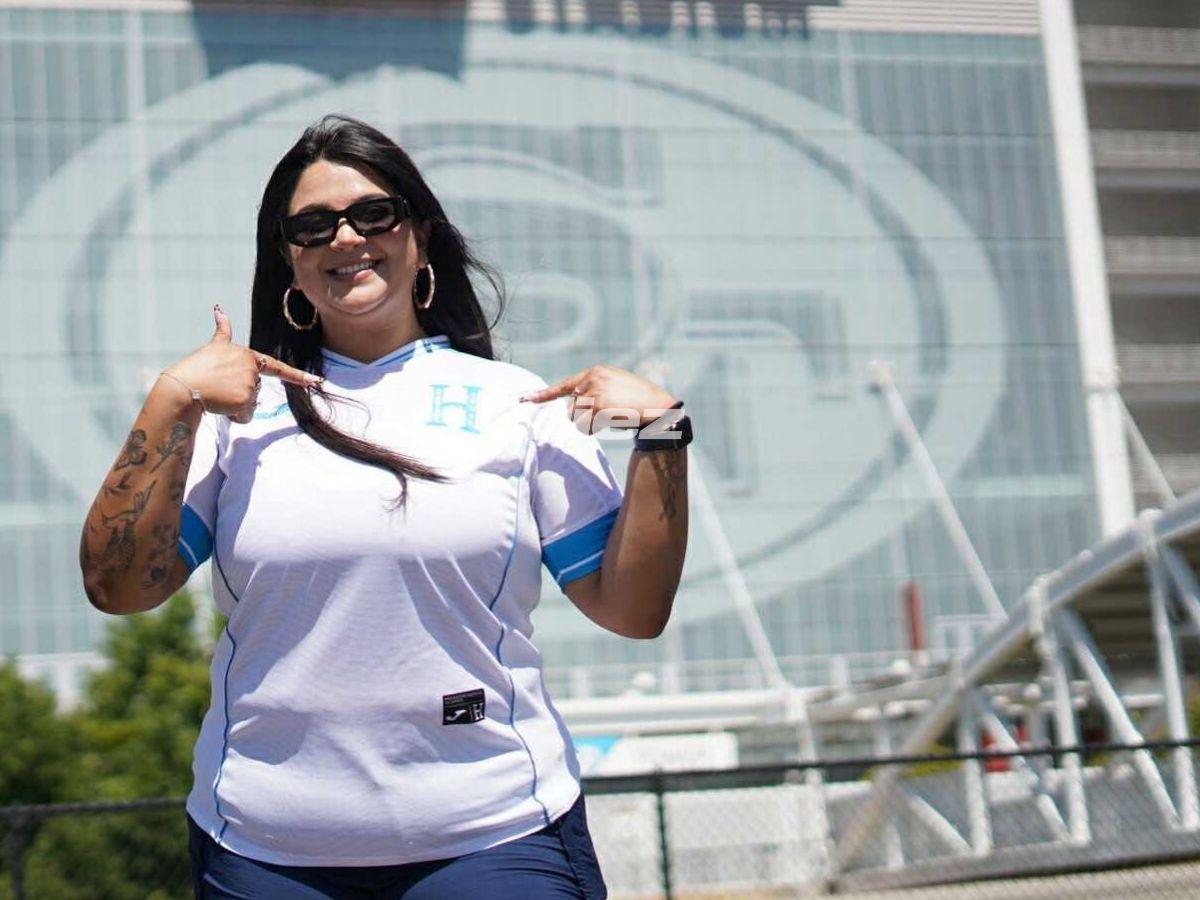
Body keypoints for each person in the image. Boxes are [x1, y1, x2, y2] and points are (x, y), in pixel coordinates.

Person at [78, 114, 691, 899]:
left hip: (495, 836)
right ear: (288, 262)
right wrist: (172, 399)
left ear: (420, 238)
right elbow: (120, 588)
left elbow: (633, 610)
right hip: (264, 848)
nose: (345, 239)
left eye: (374, 214)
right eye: (313, 226)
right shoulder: (233, 416)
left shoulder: (521, 403)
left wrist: (665, 433)